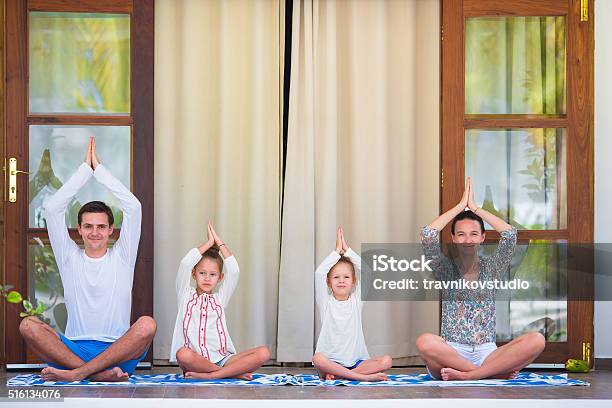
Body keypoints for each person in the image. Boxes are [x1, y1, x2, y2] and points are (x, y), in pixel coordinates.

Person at [19, 137, 156, 382]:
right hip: (74, 349)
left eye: (101, 227)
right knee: (28, 326)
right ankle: (97, 374)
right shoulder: (69, 257)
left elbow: (133, 208)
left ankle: (80, 373)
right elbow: (52, 209)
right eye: (89, 226)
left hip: (117, 351)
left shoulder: (123, 257)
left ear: (111, 230)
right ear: (79, 230)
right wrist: (84, 171)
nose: (95, 232)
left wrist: (99, 171)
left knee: (146, 324)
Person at [417, 177, 545, 381]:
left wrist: (475, 208)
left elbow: (510, 235)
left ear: (483, 238)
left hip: (487, 353)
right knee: (425, 342)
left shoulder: (492, 268)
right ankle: (484, 374)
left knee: (537, 340)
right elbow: (428, 234)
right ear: (453, 238)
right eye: (461, 234)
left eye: (474, 234)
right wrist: (460, 206)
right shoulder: (445, 269)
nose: (467, 240)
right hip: (452, 353)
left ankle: (469, 375)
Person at [170, 221, 270, 380]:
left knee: (264, 352)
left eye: (212, 274)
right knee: (182, 354)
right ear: (193, 274)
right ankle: (230, 373)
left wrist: (220, 243)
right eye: (202, 273)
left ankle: (214, 375)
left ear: (220, 277)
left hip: (224, 359)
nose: (207, 278)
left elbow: (235, 270)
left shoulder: (220, 299)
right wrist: (209, 243)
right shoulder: (185, 295)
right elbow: (185, 264)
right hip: (195, 360)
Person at [311, 227, 392, 381]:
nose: (341, 280)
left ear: (354, 281)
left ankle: (344, 375)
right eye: (336, 277)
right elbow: (319, 273)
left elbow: (368, 272)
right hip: (330, 361)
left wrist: (347, 251)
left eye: (346, 277)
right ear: (328, 282)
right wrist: (336, 252)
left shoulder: (356, 301)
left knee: (387, 361)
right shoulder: (325, 302)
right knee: (318, 359)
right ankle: (361, 377)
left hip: (356, 362)